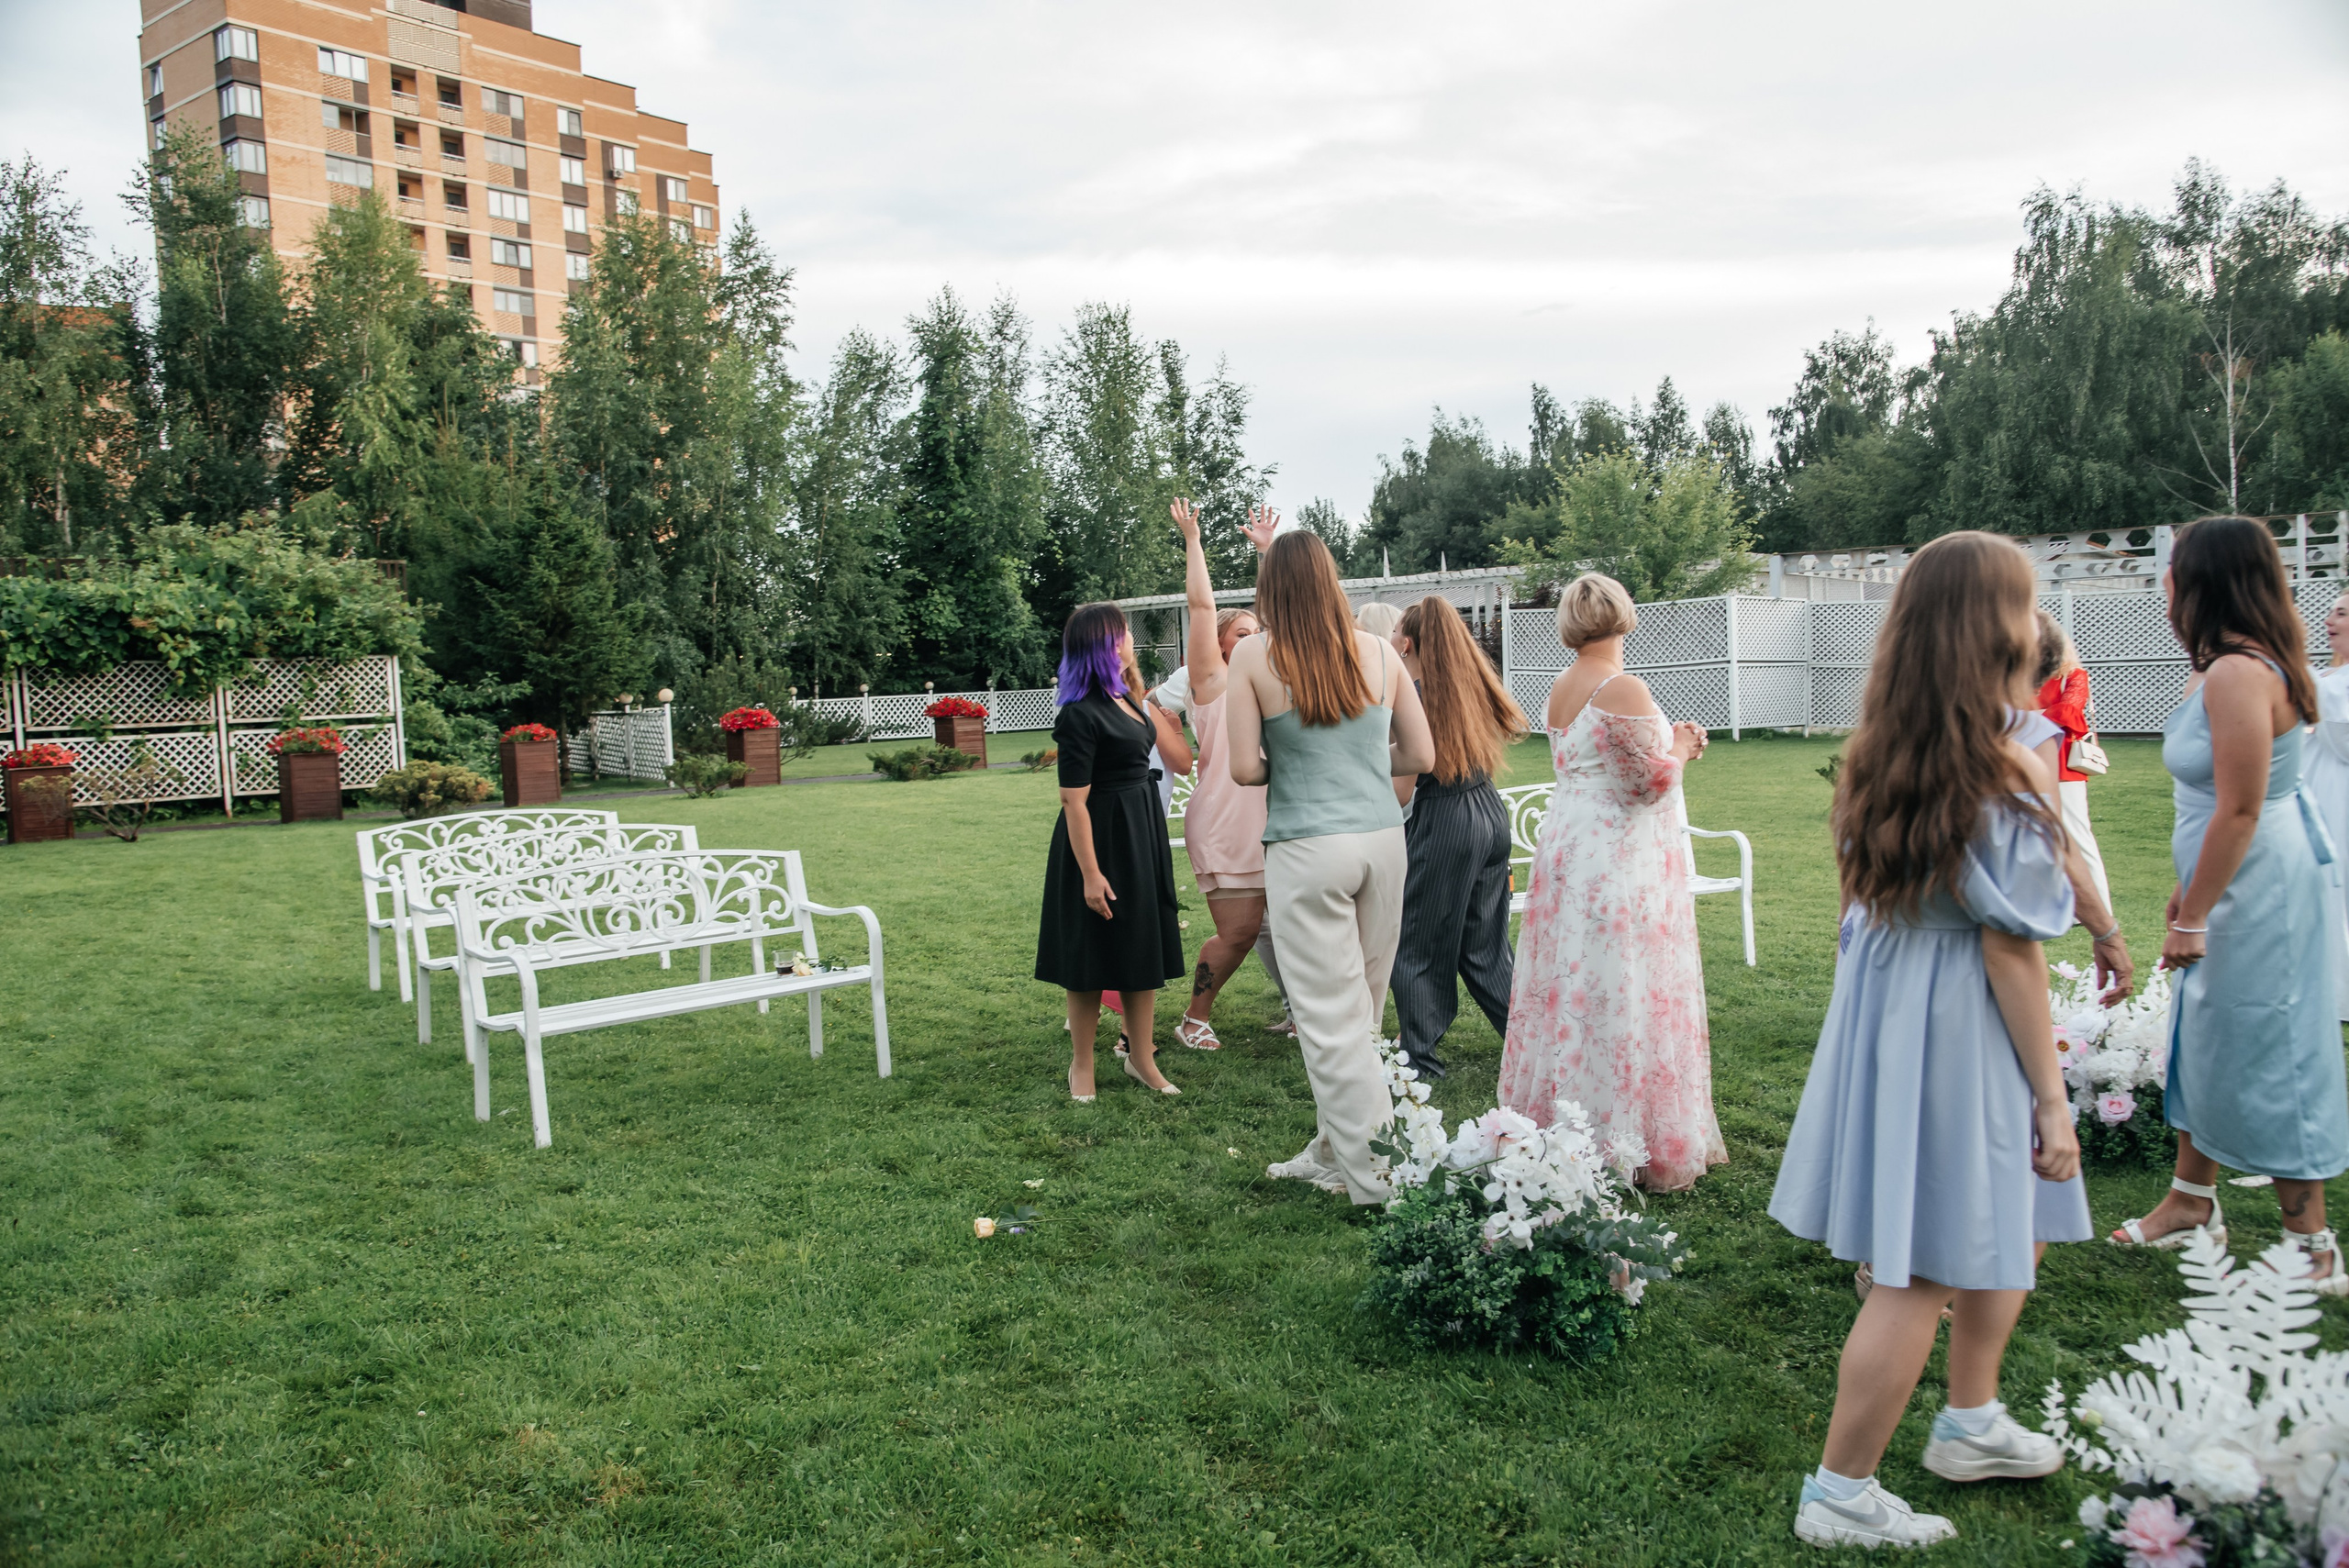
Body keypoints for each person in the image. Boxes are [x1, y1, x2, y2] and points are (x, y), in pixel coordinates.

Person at [1770, 531, 2084, 1551]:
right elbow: (2011, 951)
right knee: (1918, 1265)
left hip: (1898, 996)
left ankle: (1971, 1413)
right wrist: (2049, 1095)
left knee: (1995, 1211)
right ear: (1997, 626)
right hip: (1957, 1015)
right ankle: (1840, 1489)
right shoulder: (2001, 768)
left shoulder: (1884, 747)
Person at [2108, 517, 2349, 1295]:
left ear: (2204, 578)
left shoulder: (2241, 672)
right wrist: (2190, 886)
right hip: (2227, 873)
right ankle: (2191, 1198)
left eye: (2173, 569)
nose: (2164, 582)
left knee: (2272, 1038)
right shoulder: (2220, 662)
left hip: (2261, 885)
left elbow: (2240, 808)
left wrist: (2191, 915)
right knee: (2204, 1031)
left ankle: (2310, 1241)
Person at [1225, 530, 1435, 1202]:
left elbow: (1242, 766)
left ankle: (1379, 1179)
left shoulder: (1255, 654)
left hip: (1308, 848)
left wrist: (1296, 762)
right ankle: (1332, 1149)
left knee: (1329, 1021)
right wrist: (1363, 764)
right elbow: (1420, 753)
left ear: (1268, 590)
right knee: (1361, 1016)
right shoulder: (1377, 649)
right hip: (1381, 841)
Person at [1497, 573, 1723, 1190]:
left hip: (1569, 845)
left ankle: (1563, 1117)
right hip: (1615, 857)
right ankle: (1626, 1135)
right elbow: (1645, 784)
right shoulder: (1622, 686)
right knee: (1624, 979)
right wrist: (1681, 747)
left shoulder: (1561, 687)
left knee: (1574, 979)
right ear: (1626, 616)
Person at [1034, 604, 1187, 1102]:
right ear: (1102, 644)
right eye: (1121, 633)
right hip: (1098, 839)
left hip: (1139, 833)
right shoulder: (1079, 713)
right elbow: (1072, 801)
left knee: (1141, 947)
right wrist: (1091, 873)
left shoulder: (1128, 698)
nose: (1129, 639)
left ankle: (1141, 1060)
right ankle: (1082, 1065)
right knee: (1090, 954)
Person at [1159, 498, 1290, 1050]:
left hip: (1281, 821)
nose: (1252, 638)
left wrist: (1267, 555)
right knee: (1237, 933)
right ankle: (1192, 1018)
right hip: (1226, 824)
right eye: (1241, 633)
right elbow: (1201, 606)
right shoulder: (1209, 680)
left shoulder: (1271, 675)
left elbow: (1285, 617)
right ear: (1218, 646)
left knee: (1290, 929)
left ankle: (1302, 1012)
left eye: (1257, 631)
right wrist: (1193, 540)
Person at [1386, 596, 1528, 1078]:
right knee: (1486, 944)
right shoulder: (1472, 687)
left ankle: (1417, 1059)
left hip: (1445, 818)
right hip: (1488, 812)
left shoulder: (1415, 695)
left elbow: (1403, 785)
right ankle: (1531, 1044)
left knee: (1416, 942)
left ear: (1405, 642)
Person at [2035, 614, 2113, 907]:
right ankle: (2058, 903)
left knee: (2077, 834)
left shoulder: (2074, 676)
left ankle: (2100, 905)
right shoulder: (2021, 677)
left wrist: (2026, 721)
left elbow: (2069, 713)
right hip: (2027, 762)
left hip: (2064, 766)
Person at [2305, 592, 2349, 1024]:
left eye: (2342, 612)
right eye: (2331, 609)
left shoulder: (2332, 683)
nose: (2330, 618)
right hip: (2319, 788)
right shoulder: (2333, 675)